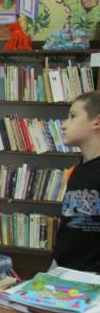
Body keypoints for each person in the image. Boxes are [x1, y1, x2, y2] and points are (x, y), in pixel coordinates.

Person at [53, 91, 100, 273]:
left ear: (97, 122)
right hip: (64, 268)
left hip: (91, 276)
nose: (64, 125)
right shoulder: (77, 170)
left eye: (73, 116)